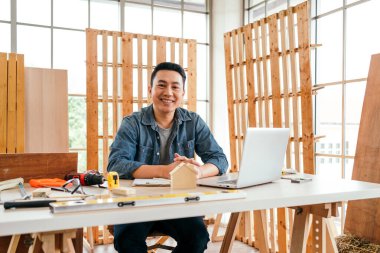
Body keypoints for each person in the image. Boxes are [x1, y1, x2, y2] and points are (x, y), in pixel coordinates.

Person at [107, 62, 228, 253]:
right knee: (126, 241)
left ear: (183, 92)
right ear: (150, 89)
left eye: (175, 87)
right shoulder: (132, 123)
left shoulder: (194, 122)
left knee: (198, 239)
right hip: (137, 204)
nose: (168, 92)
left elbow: (220, 159)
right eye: (161, 85)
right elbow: (116, 164)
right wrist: (165, 171)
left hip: (179, 202)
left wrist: (199, 172)